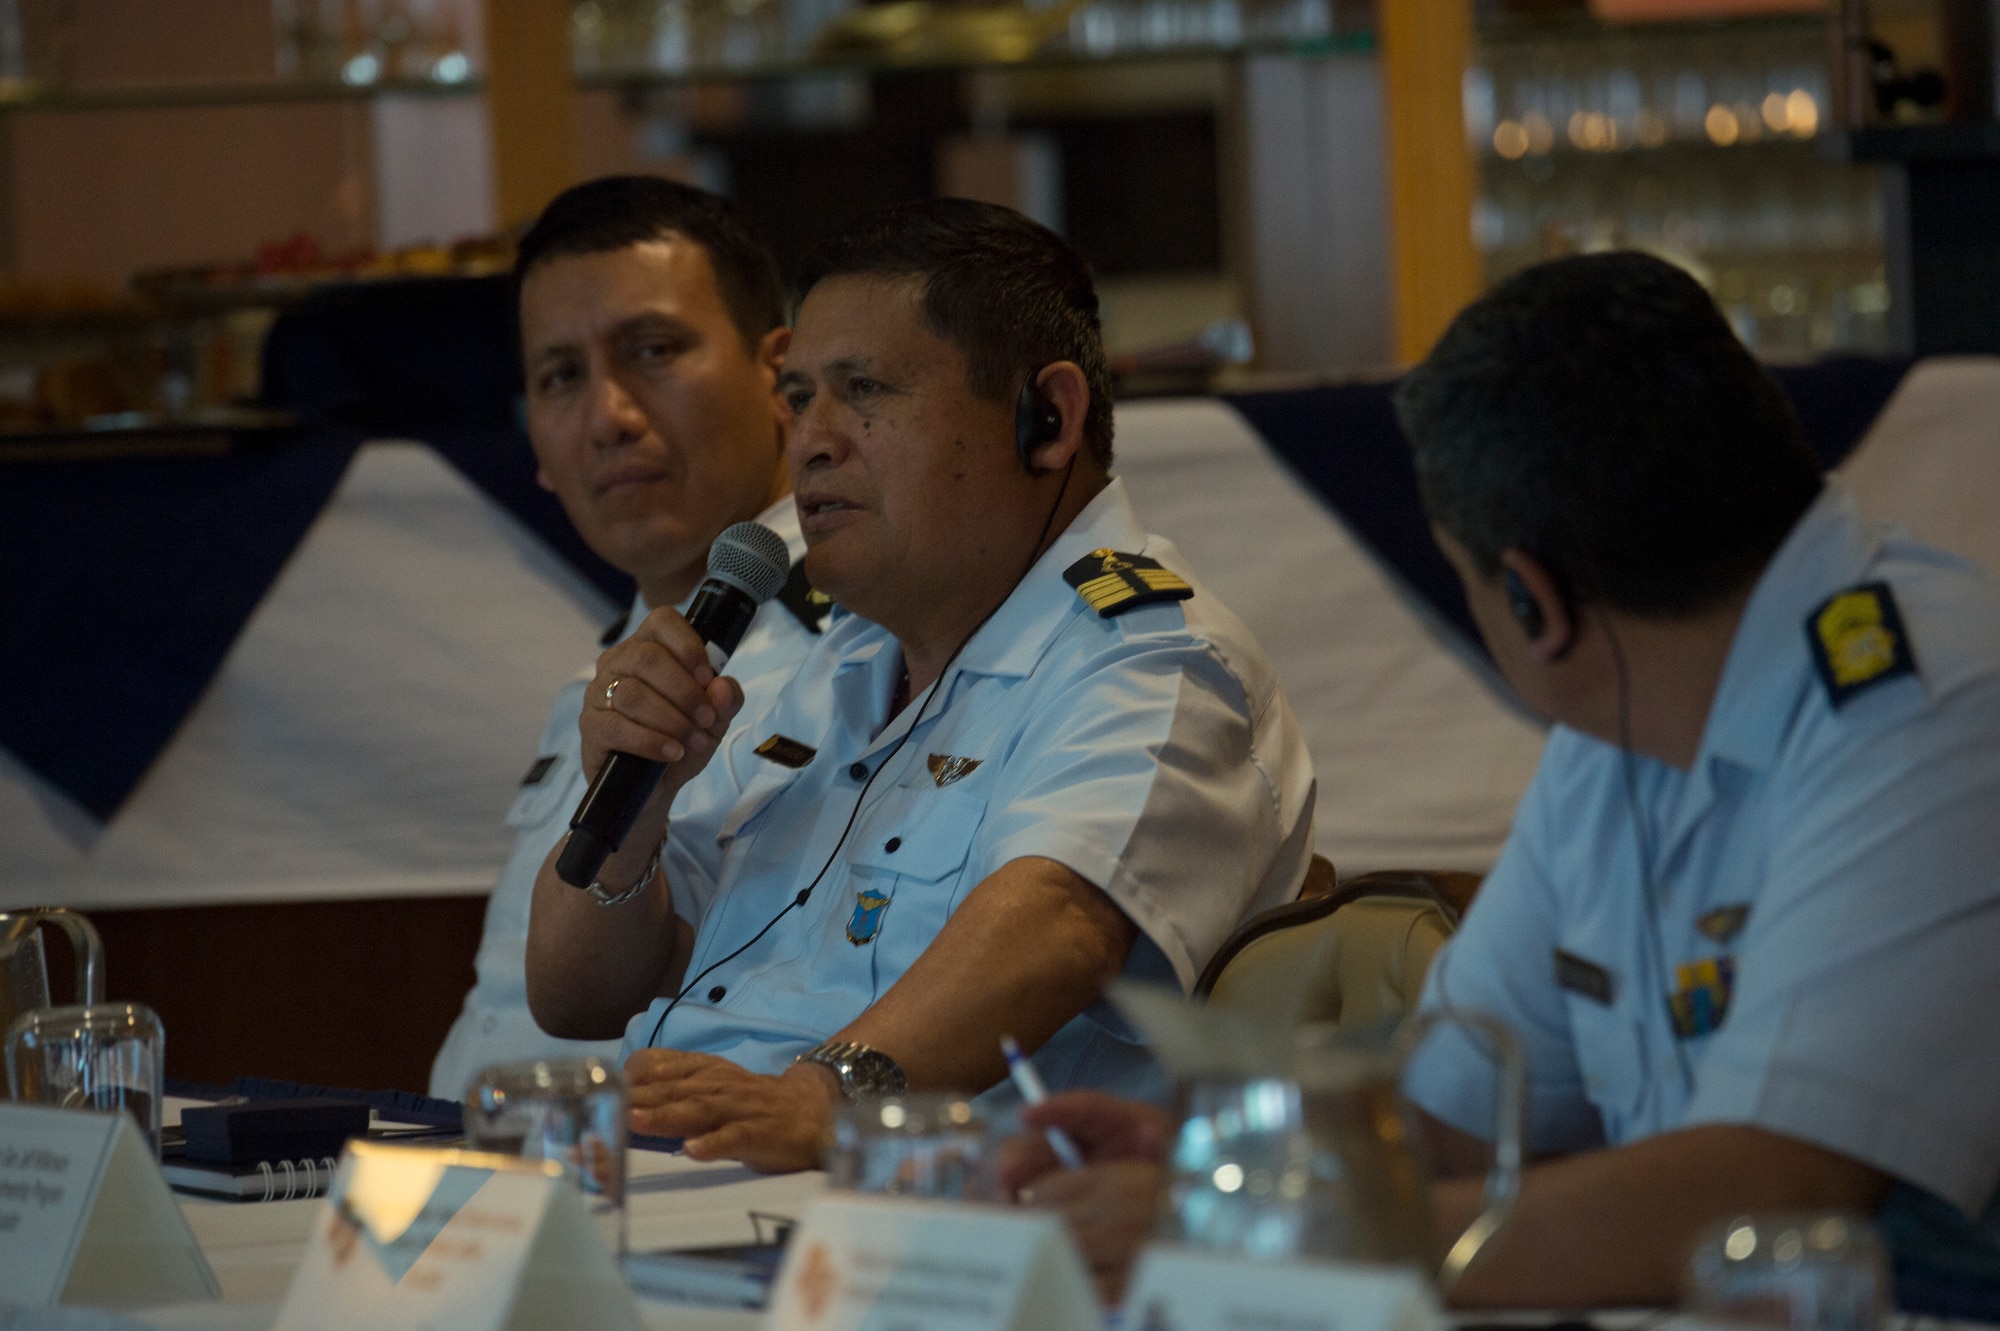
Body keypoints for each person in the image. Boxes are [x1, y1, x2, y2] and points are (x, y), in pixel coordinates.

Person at [1002, 251, 2000, 1309]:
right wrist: (1226, 1169)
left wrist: (1262, 1230)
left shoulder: (1926, 708)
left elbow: (1773, 1190)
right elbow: (1454, 1121)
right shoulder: (1619, 724)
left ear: (1530, 602)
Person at [524, 199, 1317, 1172]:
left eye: (863, 390)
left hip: (943, 1226)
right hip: (687, 1165)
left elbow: (1061, 922)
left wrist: (823, 1098)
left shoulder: (1152, 657)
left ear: (1048, 419)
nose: (809, 439)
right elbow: (571, 996)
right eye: (798, 394)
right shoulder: (821, 664)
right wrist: (629, 815)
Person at [429, 176, 828, 1101]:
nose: (609, 416)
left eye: (653, 350)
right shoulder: (600, 672)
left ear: (781, 374)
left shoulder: (874, 639)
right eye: (561, 376)